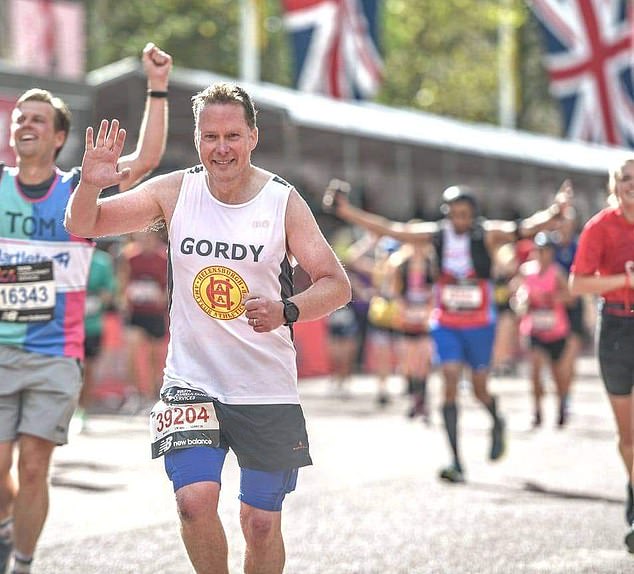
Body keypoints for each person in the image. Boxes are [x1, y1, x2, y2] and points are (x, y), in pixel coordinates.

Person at [64, 82, 351, 574]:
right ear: (197, 139)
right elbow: (83, 222)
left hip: (265, 387)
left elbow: (336, 283)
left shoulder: (281, 201)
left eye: (233, 136)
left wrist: (288, 310)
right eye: (210, 136)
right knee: (194, 502)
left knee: (259, 523)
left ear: (253, 137)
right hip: (190, 382)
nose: (222, 148)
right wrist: (91, 182)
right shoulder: (176, 191)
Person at [0, 42, 172, 574]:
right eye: (19, 117)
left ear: (58, 137)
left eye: (38, 119)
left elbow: (144, 161)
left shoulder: (81, 190)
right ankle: (9, 526)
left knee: (34, 465)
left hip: (56, 354)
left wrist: (158, 86)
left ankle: (22, 563)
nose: (25, 124)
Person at [323, 180, 571, 483]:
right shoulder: (436, 235)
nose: (460, 220)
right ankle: (455, 460)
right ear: (446, 213)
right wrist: (347, 211)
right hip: (447, 323)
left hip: (480, 324)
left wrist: (555, 211)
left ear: (474, 214)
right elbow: (391, 229)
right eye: (454, 214)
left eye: (466, 214)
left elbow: (525, 228)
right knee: (450, 380)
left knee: (480, 389)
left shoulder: (487, 234)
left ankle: (496, 419)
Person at [568, 156, 634, 553]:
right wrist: (626, 280)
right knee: (629, 436)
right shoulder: (601, 227)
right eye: (625, 178)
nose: (632, 184)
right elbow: (577, 284)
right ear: (616, 185)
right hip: (616, 328)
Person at [511, 231, 572, 428]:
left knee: (557, 373)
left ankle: (562, 404)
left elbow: (571, 297)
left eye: (545, 251)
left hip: (556, 329)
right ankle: (537, 411)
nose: (542, 254)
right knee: (535, 371)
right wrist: (523, 301)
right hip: (534, 329)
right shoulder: (526, 271)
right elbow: (517, 293)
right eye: (539, 250)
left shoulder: (558, 273)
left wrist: (552, 297)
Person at [119, 230, 168, 410]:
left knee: (155, 357)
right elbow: (123, 278)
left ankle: (155, 395)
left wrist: (163, 297)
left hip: (155, 313)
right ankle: (136, 393)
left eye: (148, 237)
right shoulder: (130, 255)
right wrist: (125, 297)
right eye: (141, 237)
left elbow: (169, 281)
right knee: (133, 351)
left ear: (155, 238)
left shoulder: (164, 256)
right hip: (136, 313)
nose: (145, 240)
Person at [72, 243, 118, 433]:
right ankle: (67, 411)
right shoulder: (68, 256)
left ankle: (82, 412)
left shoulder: (102, 261)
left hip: (92, 326)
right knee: (70, 371)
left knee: (88, 371)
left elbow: (110, 292)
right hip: (67, 327)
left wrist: (95, 299)